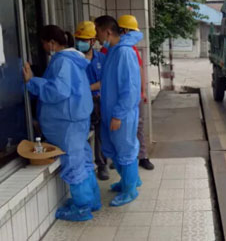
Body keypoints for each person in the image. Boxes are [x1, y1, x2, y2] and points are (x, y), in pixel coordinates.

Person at [22, 25, 101, 221]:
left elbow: (59, 91)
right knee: (83, 160)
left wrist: (32, 81)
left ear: (51, 43)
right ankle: (92, 201)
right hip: (77, 118)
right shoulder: (75, 59)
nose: (43, 48)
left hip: (68, 122)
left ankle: (82, 208)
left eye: (43, 44)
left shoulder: (62, 61)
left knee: (74, 164)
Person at [94, 15, 142, 207]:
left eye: (97, 31)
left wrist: (118, 115)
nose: (96, 36)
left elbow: (129, 89)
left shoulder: (124, 52)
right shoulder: (113, 51)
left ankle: (130, 190)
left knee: (125, 151)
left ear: (107, 31)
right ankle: (127, 181)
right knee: (115, 149)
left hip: (121, 115)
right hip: (112, 113)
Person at [117, 15, 154, 170]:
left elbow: (140, 69)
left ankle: (142, 157)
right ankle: (121, 159)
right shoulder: (113, 50)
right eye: (131, 32)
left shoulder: (130, 49)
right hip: (121, 98)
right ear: (123, 31)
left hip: (134, 96)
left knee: (138, 125)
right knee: (123, 130)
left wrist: (143, 91)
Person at [74, 21, 109, 180]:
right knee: (84, 133)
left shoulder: (101, 58)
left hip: (99, 100)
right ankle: (87, 166)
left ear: (93, 41)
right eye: (79, 39)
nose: (81, 43)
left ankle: (102, 165)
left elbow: (107, 80)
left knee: (101, 134)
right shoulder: (73, 59)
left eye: (84, 40)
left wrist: (89, 87)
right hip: (81, 103)